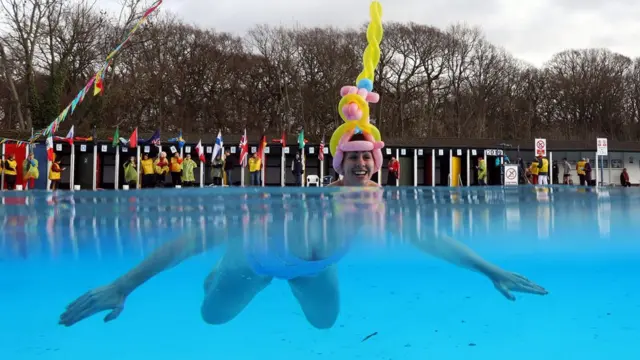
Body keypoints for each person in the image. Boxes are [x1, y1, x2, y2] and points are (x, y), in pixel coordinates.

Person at [58, 1, 547, 330]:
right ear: (338, 165)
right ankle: (234, 266)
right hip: (254, 260)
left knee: (325, 323)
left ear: (378, 163)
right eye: (350, 158)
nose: (359, 166)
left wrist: (489, 270)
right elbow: (189, 240)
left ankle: (293, 277)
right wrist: (122, 286)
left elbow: (434, 240)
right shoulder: (307, 203)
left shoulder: (377, 206)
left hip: (314, 268)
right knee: (213, 317)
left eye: (366, 158)